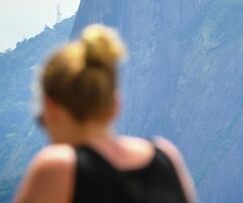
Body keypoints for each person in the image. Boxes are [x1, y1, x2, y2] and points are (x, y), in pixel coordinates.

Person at [14, 24, 196, 203]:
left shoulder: (56, 168)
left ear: (51, 106)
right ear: (115, 105)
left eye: (41, 118)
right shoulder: (165, 158)